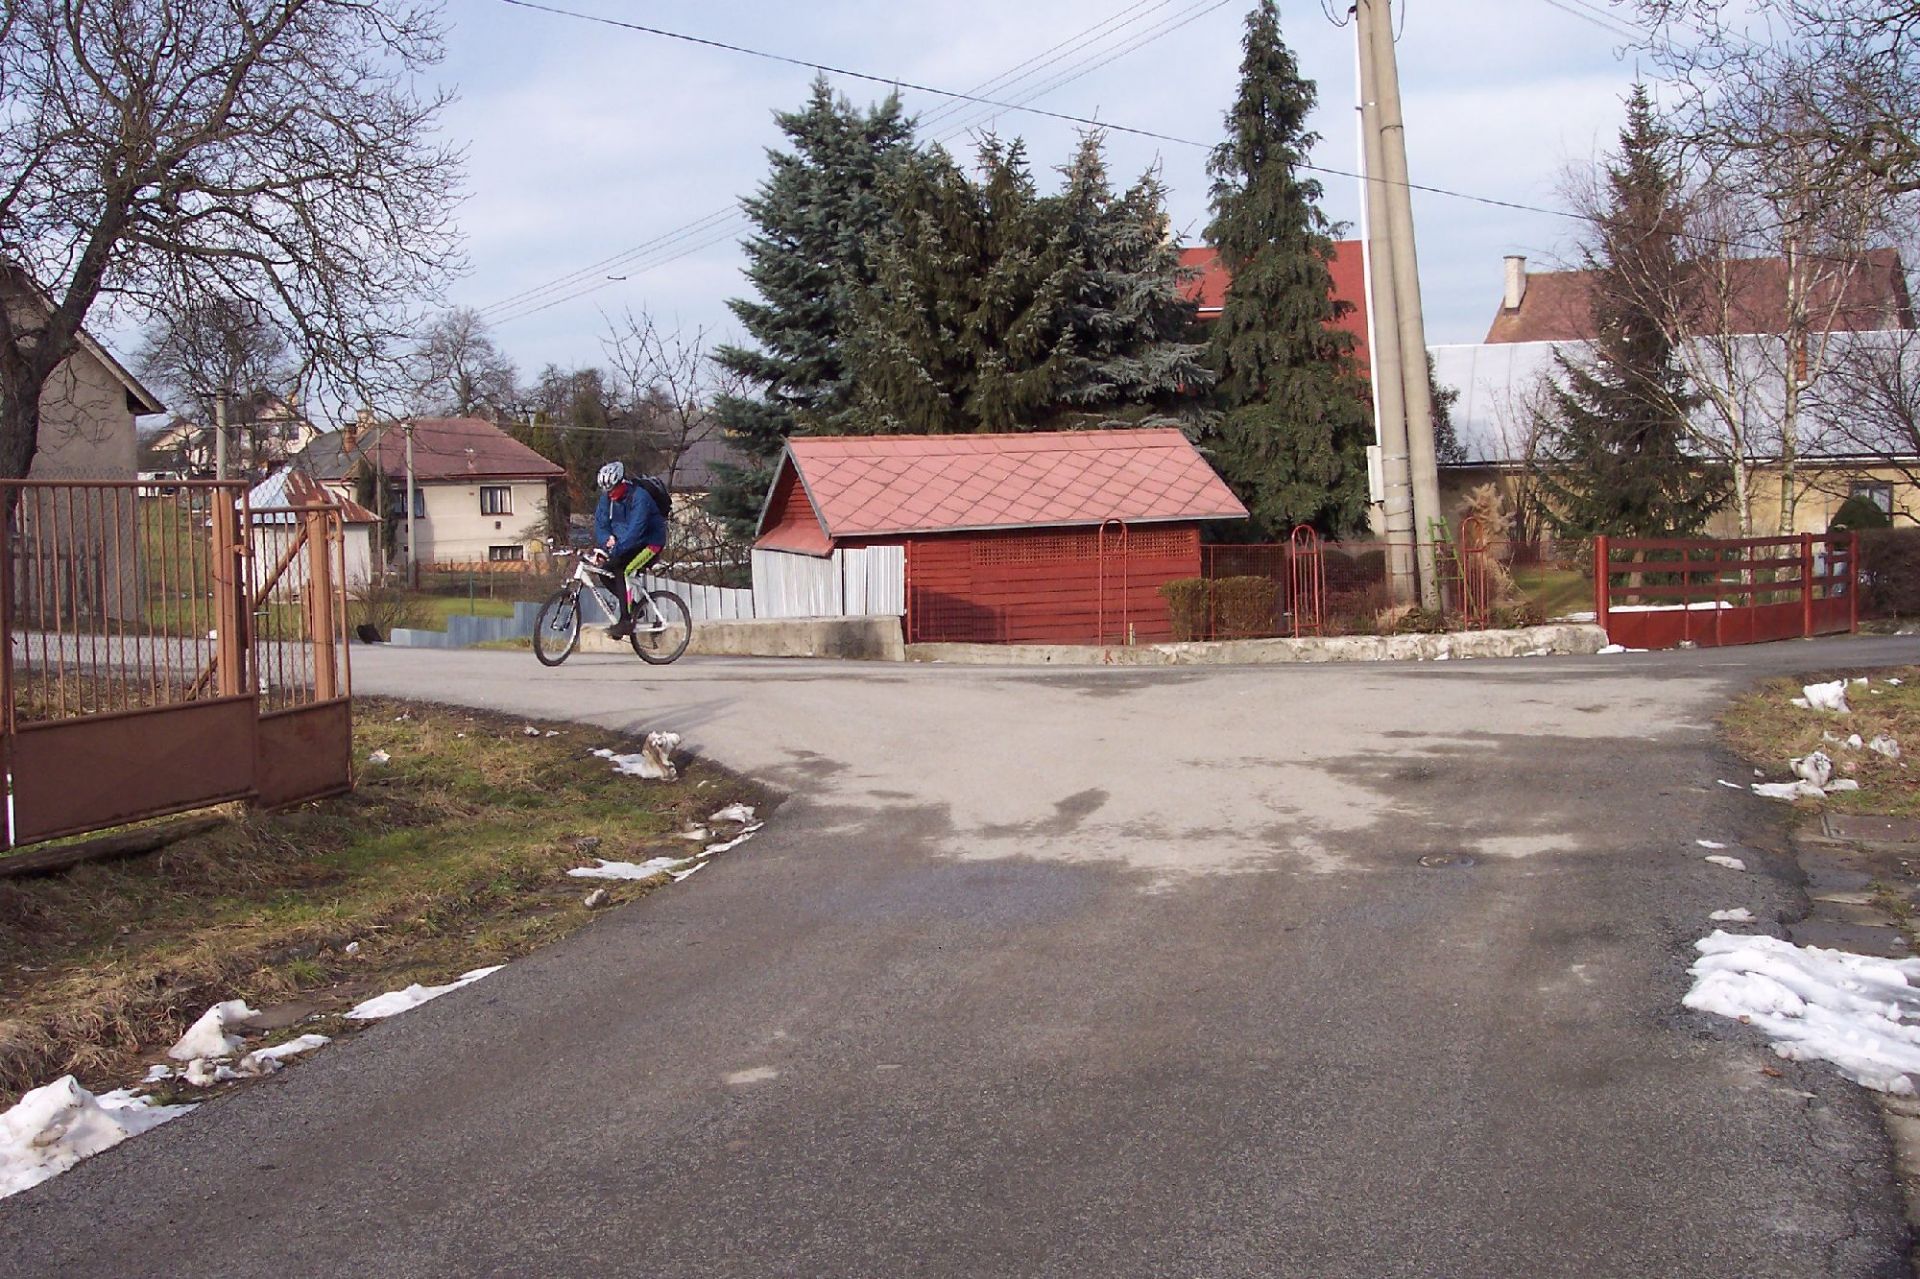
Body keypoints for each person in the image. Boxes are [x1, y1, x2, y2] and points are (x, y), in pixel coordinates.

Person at [592, 460, 666, 639]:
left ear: (621, 483)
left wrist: (615, 550)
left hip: (651, 543)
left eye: (612, 490)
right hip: (625, 543)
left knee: (624, 571)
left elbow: (636, 531)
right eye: (606, 491)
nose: (609, 494)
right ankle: (633, 608)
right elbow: (601, 523)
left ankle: (625, 621)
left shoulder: (640, 497)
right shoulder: (607, 497)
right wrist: (606, 541)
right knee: (605, 573)